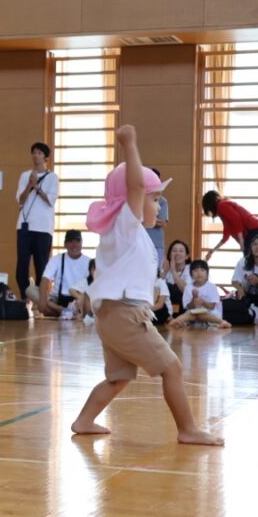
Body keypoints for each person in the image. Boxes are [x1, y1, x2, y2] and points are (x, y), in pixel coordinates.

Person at [71, 124, 222, 446]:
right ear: (134, 199)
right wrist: (129, 144)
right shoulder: (124, 225)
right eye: (155, 199)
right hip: (124, 314)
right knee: (173, 369)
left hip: (113, 314)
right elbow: (136, 186)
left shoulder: (129, 232)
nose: (159, 205)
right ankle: (188, 429)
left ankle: (84, 420)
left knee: (118, 377)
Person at [15, 142, 58, 302]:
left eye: (39, 153)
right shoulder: (24, 175)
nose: (35, 155)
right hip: (24, 226)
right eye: (34, 152)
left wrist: (37, 187)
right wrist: (29, 185)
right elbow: (20, 200)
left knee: (41, 265)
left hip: (43, 227)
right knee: (22, 265)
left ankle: (40, 300)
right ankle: (24, 297)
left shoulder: (52, 177)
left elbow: (51, 200)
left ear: (46, 157)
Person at [27, 230, 92, 319]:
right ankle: (60, 310)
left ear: (81, 243)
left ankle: (59, 312)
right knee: (30, 290)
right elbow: (45, 279)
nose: (74, 245)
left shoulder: (89, 262)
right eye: (70, 241)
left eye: (77, 241)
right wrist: (42, 299)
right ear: (65, 244)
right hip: (57, 300)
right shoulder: (57, 259)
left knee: (91, 300)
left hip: (79, 300)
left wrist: (83, 300)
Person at [201, 190, 258, 259]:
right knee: (252, 262)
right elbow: (225, 236)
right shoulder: (222, 210)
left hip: (254, 231)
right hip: (257, 231)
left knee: (251, 262)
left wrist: (241, 241)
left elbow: (236, 219)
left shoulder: (221, 206)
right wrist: (212, 251)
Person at [169, 260, 231, 329]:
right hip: (193, 313)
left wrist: (203, 302)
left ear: (207, 274)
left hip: (209, 312)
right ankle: (177, 320)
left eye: (202, 270)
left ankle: (222, 322)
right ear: (191, 274)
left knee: (201, 315)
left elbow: (212, 306)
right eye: (195, 270)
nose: (199, 273)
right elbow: (187, 306)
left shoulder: (212, 287)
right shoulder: (188, 287)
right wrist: (193, 300)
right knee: (189, 315)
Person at [146, 168, 168, 268]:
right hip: (140, 242)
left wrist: (143, 219)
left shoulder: (162, 201)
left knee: (156, 271)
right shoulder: (138, 199)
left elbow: (162, 222)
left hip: (156, 243)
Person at [162, 240, 191, 314]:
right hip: (167, 309)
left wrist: (174, 271)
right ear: (169, 255)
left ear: (187, 256)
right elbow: (158, 290)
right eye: (174, 251)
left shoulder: (191, 270)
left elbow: (187, 291)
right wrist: (164, 273)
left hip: (186, 310)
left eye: (181, 251)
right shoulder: (166, 270)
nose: (177, 253)